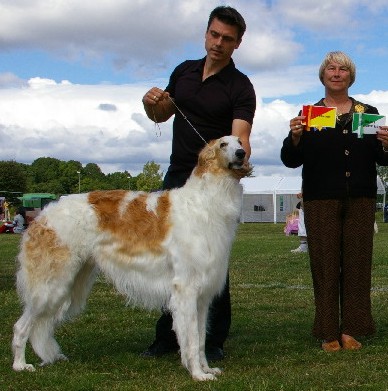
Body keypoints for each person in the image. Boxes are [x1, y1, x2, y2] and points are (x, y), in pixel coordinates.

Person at [141, 6, 256, 361]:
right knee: (170, 261)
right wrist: (151, 105)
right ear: (206, 33)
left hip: (215, 184)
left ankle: (213, 339)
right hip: (179, 176)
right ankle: (168, 337)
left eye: (227, 39)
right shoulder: (184, 71)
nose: (218, 44)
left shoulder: (240, 86)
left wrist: (240, 158)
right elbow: (161, 114)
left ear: (238, 44)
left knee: (211, 260)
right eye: (214, 35)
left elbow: (241, 136)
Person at [281, 51, 388, 352]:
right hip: (321, 199)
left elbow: (382, 158)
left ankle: (352, 329)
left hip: (360, 197)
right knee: (325, 265)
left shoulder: (368, 111)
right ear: (323, 75)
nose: (337, 73)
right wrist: (295, 138)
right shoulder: (309, 114)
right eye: (331, 68)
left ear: (351, 76)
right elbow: (290, 160)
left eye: (343, 69)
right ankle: (328, 331)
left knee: (357, 263)